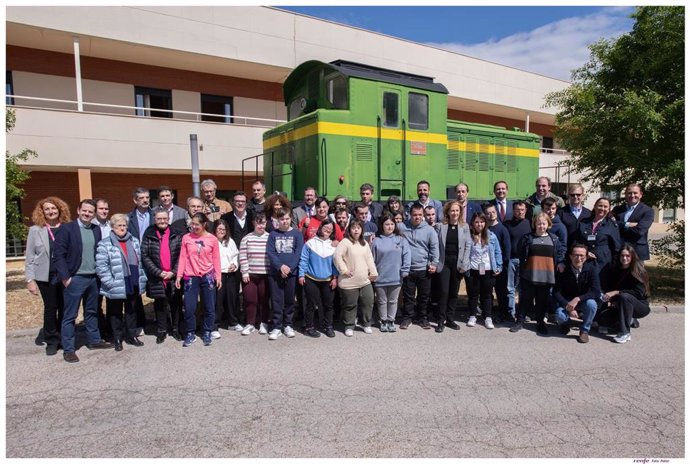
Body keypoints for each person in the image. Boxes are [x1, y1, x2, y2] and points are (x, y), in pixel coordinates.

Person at [53, 199, 113, 363]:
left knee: (92, 311)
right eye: (84, 211)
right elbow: (58, 255)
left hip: (93, 277)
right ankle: (69, 349)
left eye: (90, 212)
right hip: (75, 278)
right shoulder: (67, 229)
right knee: (70, 315)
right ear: (78, 210)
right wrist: (66, 277)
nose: (87, 214)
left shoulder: (95, 229)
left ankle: (94, 340)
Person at [25, 196, 71, 356]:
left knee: (66, 308)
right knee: (51, 308)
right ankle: (52, 340)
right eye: (47, 209)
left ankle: (64, 339)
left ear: (60, 210)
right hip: (46, 276)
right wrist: (30, 280)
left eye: (54, 208)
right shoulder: (35, 230)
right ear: (42, 212)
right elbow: (29, 256)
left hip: (65, 275)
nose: (51, 211)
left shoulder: (67, 228)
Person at [95, 214, 148, 351]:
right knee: (115, 313)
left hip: (132, 281)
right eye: (119, 225)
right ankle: (117, 337)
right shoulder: (105, 243)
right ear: (112, 227)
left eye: (124, 225)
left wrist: (141, 280)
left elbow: (140, 263)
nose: (122, 228)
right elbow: (101, 267)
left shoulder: (134, 241)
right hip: (116, 284)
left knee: (131, 311)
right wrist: (110, 282)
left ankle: (131, 335)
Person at [510, 212, 565, 335]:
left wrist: (561, 262)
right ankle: (520, 321)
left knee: (542, 301)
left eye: (544, 223)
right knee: (525, 300)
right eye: (539, 223)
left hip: (546, 276)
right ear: (534, 224)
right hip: (529, 275)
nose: (541, 226)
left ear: (548, 224)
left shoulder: (554, 239)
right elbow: (521, 252)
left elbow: (561, 252)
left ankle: (540, 323)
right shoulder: (527, 238)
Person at [175, 213, 222, 347]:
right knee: (189, 307)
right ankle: (190, 332)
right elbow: (183, 257)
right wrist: (179, 275)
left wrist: (218, 276)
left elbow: (216, 259)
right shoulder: (186, 238)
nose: (193, 226)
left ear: (204, 225)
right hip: (190, 276)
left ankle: (207, 331)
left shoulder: (212, 239)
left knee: (209, 306)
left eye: (197, 224)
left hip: (207, 275)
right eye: (192, 224)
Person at [141, 208, 184, 343]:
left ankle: (176, 329)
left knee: (176, 303)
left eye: (165, 218)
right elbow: (145, 256)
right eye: (159, 219)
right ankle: (162, 330)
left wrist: (174, 272)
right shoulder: (149, 234)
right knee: (160, 304)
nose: (162, 221)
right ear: (155, 219)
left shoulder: (177, 234)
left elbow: (182, 255)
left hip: (173, 276)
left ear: (168, 219)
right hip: (157, 276)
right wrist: (158, 272)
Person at [397, 203, 440, 330]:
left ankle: (423, 318)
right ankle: (407, 318)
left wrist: (434, 263)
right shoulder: (401, 227)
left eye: (420, 215)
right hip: (408, 268)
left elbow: (434, 248)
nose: (417, 217)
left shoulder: (429, 230)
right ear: (410, 215)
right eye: (415, 215)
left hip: (424, 268)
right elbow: (388, 230)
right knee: (408, 296)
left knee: (424, 296)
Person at [333, 220, 378, 336]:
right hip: (349, 281)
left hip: (364, 281)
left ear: (362, 230)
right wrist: (344, 270)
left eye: (358, 227)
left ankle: (366, 323)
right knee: (350, 305)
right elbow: (337, 256)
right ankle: (349, 325)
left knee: (368, 302)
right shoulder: (345, 242)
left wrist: (373, 272)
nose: (356, 230)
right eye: (353, 228)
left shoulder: (364, 243)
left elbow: (369, 259)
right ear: (349, 230)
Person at [598, 245, 651, 343]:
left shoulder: (639, 271)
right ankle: (630, 320)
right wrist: (610, 300)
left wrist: (617, 292)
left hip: (640, 306)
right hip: (620, 304)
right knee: (602, 320)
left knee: (624, 297)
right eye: (622, 256)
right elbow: (610, 289)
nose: (624, 258)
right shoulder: (614, 270)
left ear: (632, 257)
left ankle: (624, 333)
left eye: (627, 256)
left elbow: (639, 293)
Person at [433, 200, 471, 332]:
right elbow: (436, 245)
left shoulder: (465, 227)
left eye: (457, 210)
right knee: (443, 291)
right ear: (447, 212)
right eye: (452, 210)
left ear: (460, 212)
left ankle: (450, 319)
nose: (454, 213)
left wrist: (464, 264)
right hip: (444, 263)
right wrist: (435, 262)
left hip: (458, 263)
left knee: (454, 292)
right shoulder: (440, 226)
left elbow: (468, 246)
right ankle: (440, 320)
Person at [266, 208, 303, 340]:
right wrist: (280, 266)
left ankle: (288, 325)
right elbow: (271, 252)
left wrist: (289, 268)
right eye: (282, 219)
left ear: (290, 219)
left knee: (289, 300)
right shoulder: (273, 235)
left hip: (291, 273)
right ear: (277, 220)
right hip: (276, 274)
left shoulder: (297, 234)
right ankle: (276, 326)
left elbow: (298, 252)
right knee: (277, 300)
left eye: (287, 218)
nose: (285, 221)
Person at [552, 244, 601, 343]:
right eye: (575, 255)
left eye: (582, 255)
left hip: (583, 301)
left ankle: (584, 330)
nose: (578, 258)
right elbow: (555, 291)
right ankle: (566, 324)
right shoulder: (563, 270)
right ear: (570, 256)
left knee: (592, 304)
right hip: (567, 301)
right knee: (560, 315)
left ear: (586, 256)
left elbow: (596, 291)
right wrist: (568, 306)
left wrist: (578, 299)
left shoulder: (592, 269)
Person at [299, 218, 338, 338]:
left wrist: (335, 277)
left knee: (328, 305)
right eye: (326, 227)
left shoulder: (333, 245)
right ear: (321, 228)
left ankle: (329, 326)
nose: (328, 230)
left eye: (330, 229)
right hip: (311, 279)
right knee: (311, 304)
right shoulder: (310, 243)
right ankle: (309, 327)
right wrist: (301, 274)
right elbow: (304, 260)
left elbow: (335, 264)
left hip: (327, 280)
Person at [372, 213, 411, 333]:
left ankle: (391, 320)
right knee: (382, 301)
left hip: (396, 276)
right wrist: (373, 273)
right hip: (381, 276)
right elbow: (371, 259)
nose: (389, 227)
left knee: (393, 300)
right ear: (382, 226)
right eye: (387, 224)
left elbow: (407, 255)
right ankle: (383, 321)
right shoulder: (376, 241)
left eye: (392, 224)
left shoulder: (401, 240)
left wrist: (405, 270)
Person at [575, 197, 622, 290]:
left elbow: (617, 247)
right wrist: (586, 253)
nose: (602, 209)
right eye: (600, 205)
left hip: (603, 263)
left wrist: (614, 266)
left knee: (601, 288)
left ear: (609, 209)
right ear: (595, 206)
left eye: (605, 207)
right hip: (584, 261)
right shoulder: (584, 222)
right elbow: (577, 241)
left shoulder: (612, 225)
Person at [465, 212, 502, 329]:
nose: (479, 224)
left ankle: (488, 317)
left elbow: (497, 252)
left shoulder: (492, 236)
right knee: (473, 295)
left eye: (481, 222)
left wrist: (499, 266)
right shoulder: (468, 236)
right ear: (472, 223)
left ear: (485, 223)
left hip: (488, 269)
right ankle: (472, 315)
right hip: (473, 269)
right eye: (476, 222)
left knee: (487, 295)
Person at [238, 213, 271, 336]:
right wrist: (245, 271)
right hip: (250, 275)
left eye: (262, 223)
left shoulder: (270, 238)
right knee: (250, 300)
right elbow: (242, 256)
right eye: (258, 223)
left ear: (266, 223)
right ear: (253, 223)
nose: (260, 225)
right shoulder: (247, 238)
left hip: (265, 274)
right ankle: (250, 323)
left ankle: (263, 322)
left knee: (264, 300)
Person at [127, 187, 153, 331]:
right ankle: (139, 323)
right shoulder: (128, 218)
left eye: (147, 197)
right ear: (135, 200)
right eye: (141, 198)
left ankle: (162, 322)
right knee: (136, 291)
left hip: (153, 258)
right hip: (135, 258)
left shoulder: (155, 215)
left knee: (158, 290)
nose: (145, 200)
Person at [503, 201, 532, 321]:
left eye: (522, 210)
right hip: (511, 260)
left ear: (525, 210)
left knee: (522, 288)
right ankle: (511, 312)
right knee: (510, 288)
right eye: (517, 210)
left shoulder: (530, 224)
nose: (519, 212)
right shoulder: (507, 224)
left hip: (525, 260)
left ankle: (521, 313)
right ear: (513, 211)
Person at [483, 203, 511, 323]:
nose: (491, 215)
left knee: (501, 292)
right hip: (485, 266)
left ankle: (503, 313)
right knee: (486, 292)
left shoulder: (502, 229)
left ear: (496, 212)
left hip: (499, 268)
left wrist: (502, 266)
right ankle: (487, 312)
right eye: (488, 213)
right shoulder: (484, 229)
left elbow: (507, 249)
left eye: (493, 212)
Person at [612, 183, 654, 261]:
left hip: (637, 250)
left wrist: (620, 226)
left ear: (641, 194)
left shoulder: (648, 211)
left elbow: (640, 231)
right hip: (619, 249)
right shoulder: (617, 209)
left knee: (637, 273)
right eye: (629, 193)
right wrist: (627, 224)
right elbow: (611, 225)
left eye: (635, 193)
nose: (632, 195)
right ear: (625, 195)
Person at [214, 219, 241, 337]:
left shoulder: (230, 241)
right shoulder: (211, 241)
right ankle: (214, 325)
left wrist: (235, 264)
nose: (221, 231)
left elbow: (236, 255)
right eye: (219, 229)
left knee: (232, 299)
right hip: (217, 275)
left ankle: (233, 323)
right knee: (217, 301)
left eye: (224, 229)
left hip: (230, 274)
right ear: (214, 229)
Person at [558, 183, 592, 249]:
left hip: (583, 252)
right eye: (572, 195)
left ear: (583, 196)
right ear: (569, 196)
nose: (575, 197)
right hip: (566, 251)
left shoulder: (589, 214)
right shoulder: (561, 213)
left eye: (578, 194)